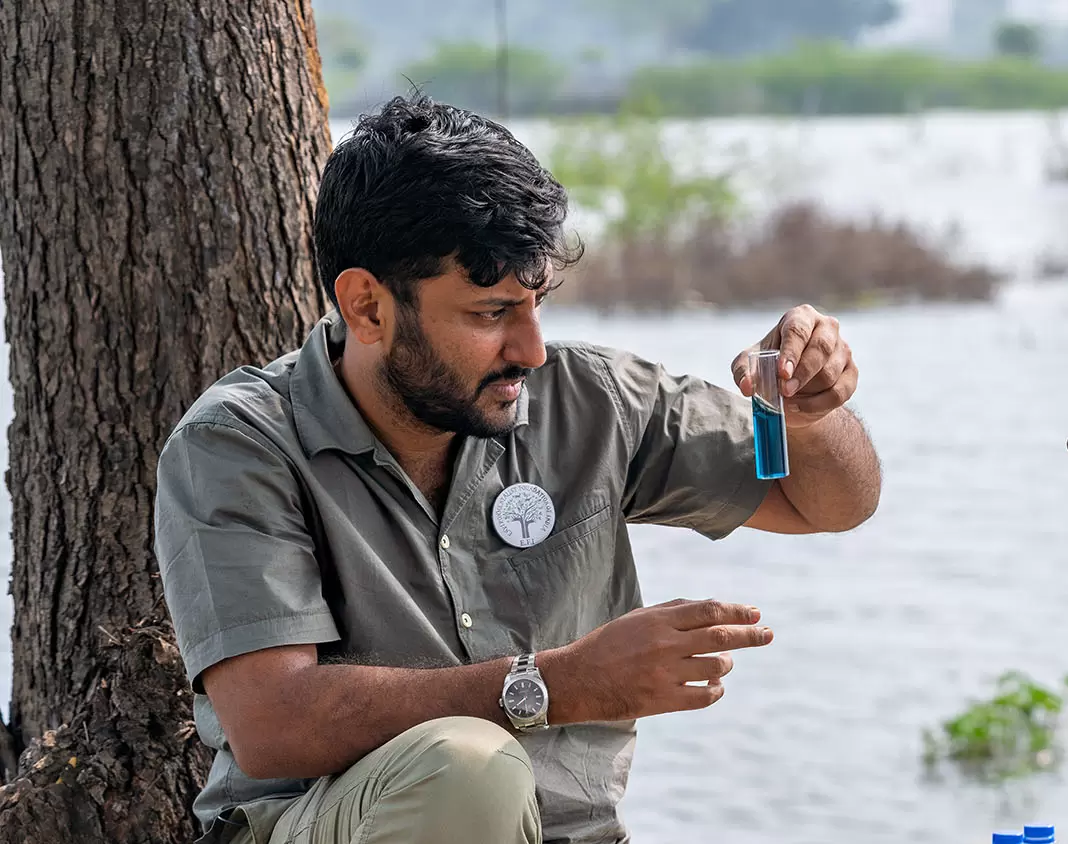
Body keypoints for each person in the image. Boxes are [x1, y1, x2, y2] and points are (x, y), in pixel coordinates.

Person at [153, 95, 881, 844]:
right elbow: (273, 722)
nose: (531, 350)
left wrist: (807, 412)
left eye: (538, 303)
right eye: (490, 313)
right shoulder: (238, 445)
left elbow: (828, 503)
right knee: (468, 769)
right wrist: (558, 685)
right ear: (367, 308)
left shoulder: (592, 399)